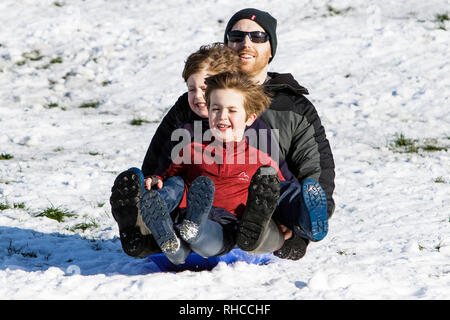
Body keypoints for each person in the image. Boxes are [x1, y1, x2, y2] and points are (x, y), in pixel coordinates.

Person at [112, 8, 335, 261]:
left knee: (269, 205)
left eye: (258, 37)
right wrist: (155, 182)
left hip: (266, 214)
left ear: (272, 48)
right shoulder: (191, 107)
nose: (246, 43)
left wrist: (299, 225)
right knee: (177, 202)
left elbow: (314, 174)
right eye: (237, 36)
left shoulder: (292, 107)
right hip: (203, 206)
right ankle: (142, 234)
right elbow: (160, 160)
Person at [138, 72, 328, 265]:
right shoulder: (191, 150)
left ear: (250, 117)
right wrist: (157, 180)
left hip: (240, 223)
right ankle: (179, 231)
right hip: (204, 219)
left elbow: (279, 191)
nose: (222, 116)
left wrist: (284, 216)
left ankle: (307, 220)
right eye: (216, 109)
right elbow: (171, 176)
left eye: (232, 110)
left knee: (283, 188)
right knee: (194, 214)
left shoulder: (260, 157)